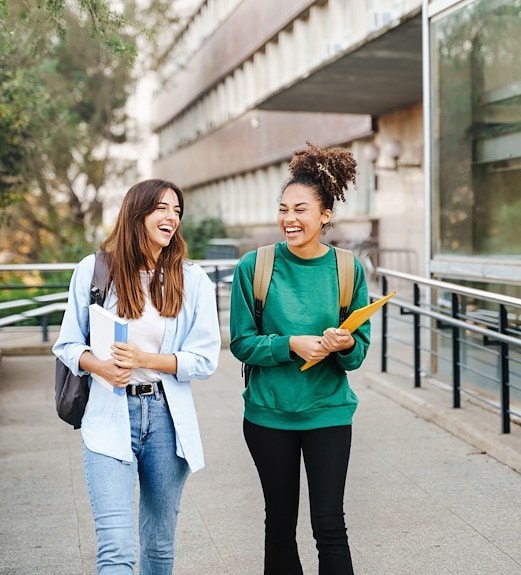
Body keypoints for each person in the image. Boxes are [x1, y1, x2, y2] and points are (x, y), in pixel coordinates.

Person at [53, 179, 221, 574]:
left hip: (166, 418)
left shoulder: (192, 279)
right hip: (109, 414)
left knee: (159, 549)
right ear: (137, 213)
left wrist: (148, 358)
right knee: (116, 550)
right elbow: (67, 344)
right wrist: (101, 366)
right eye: (162, 208)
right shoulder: (95, 270)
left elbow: (205, 358)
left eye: (177, 210)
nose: (172, 217)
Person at [229, 142, 370, 575]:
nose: (289, 219)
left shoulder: (349, 269)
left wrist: (344, 345)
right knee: (280, 525)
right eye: (283, 209)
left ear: (325, 214)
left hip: (328, 413)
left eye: (301, 209)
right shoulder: (255, 267)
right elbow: (240, 342)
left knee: (330, 526)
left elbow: (359, 350)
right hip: (269, 415)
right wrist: (290, 344)